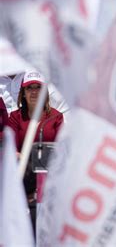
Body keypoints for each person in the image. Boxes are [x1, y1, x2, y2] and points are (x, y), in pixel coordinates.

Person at [7, 70, 64, 233]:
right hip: (23, 182)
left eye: (38, 87)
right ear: (23, 93)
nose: (33, 92)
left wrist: (29, 157)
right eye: (29, 88)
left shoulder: (56, 117)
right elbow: (10, 148)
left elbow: (62, 149)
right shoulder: (15, 117)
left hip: (50, 181)